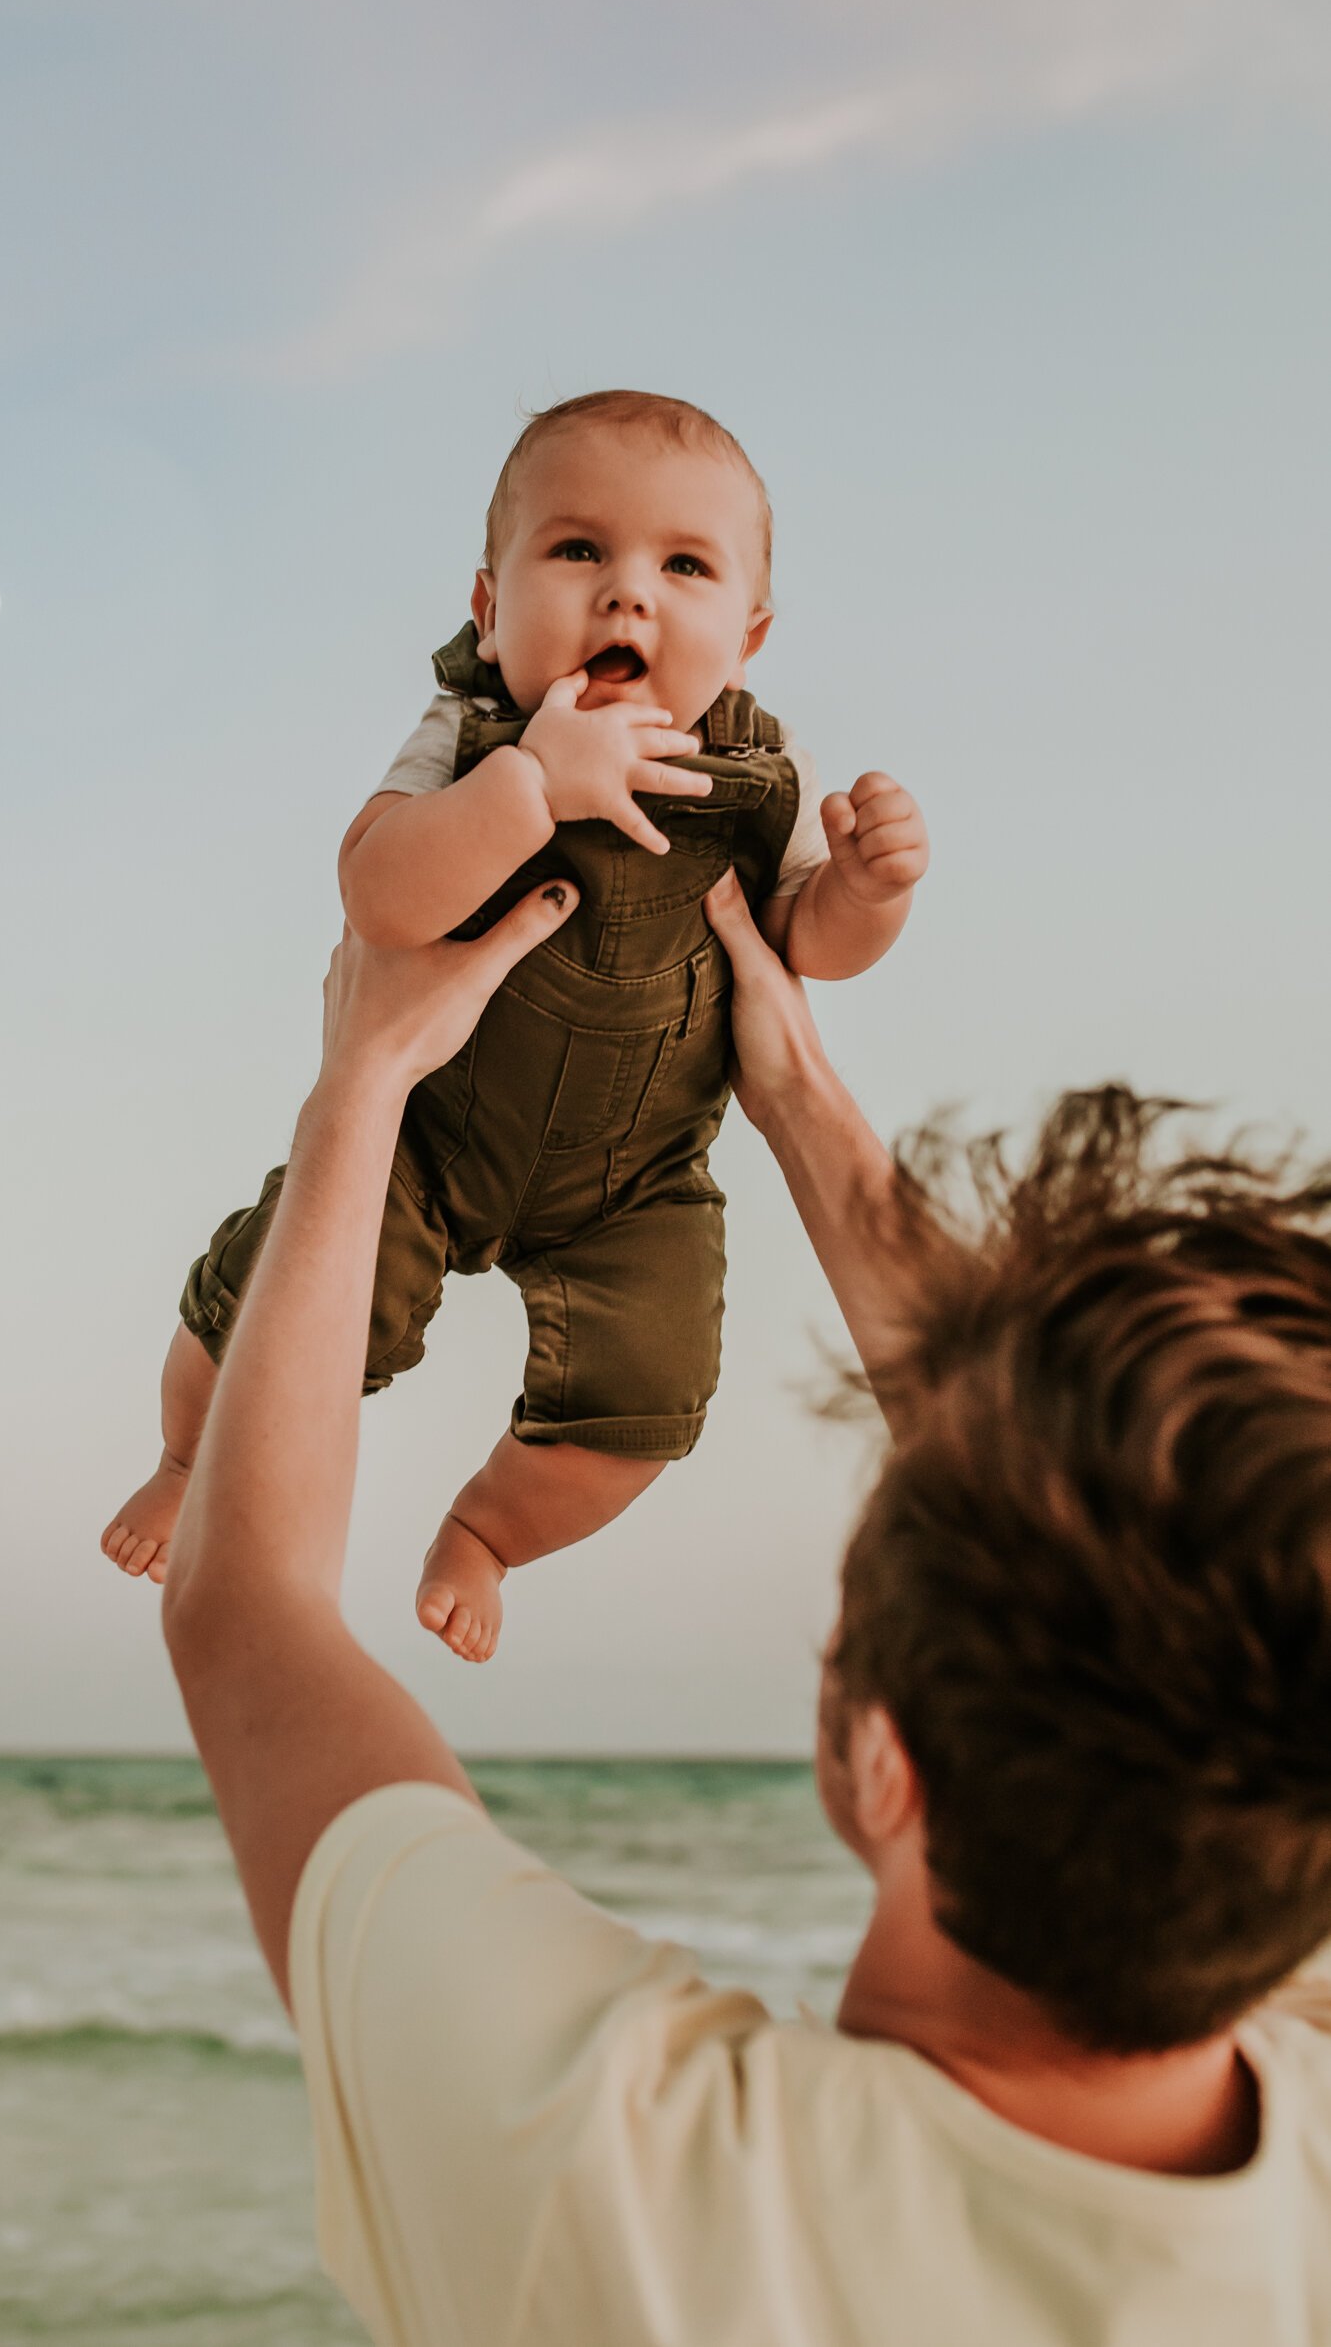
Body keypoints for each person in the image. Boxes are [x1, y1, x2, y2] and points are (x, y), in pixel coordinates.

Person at [160, 868, 1331, 2347]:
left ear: (885, 1763)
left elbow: (243, 1606)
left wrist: (365, 1083)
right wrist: (778, 1080)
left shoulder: (615, 2177)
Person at [103, 389, 929, 1661]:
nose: (627, 595)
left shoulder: (761, 770)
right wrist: (533, 785)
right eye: (578, 549)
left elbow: (798, 945)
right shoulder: (469, 733)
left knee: (643, 1395)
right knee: (275, 1313)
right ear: (489, 608)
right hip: (422, 1141)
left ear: (748, 635)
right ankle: (184, 1457)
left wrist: (864, 891)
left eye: (684, 566)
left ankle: (487, 1531)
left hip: (635, 1178)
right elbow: (378, 887)